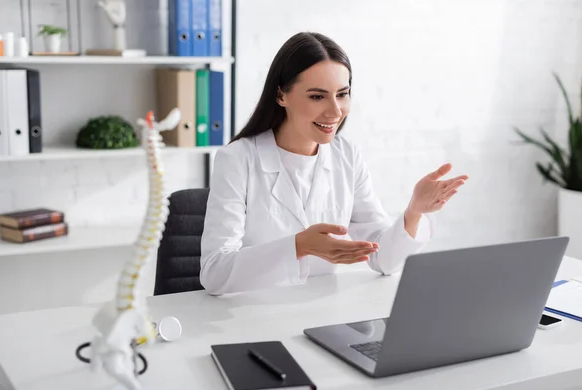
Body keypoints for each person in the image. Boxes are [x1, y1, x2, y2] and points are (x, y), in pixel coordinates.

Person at [199, 32, 468, 296]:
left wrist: (414, 212)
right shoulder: (237, 159)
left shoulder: (347, 156)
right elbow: (214, 273)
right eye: (317, 96)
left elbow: (383, 260)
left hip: (321, 315)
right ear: (281, 96)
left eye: (342, 94)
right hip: (249, 317)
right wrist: (298, 246)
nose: (336, 110)